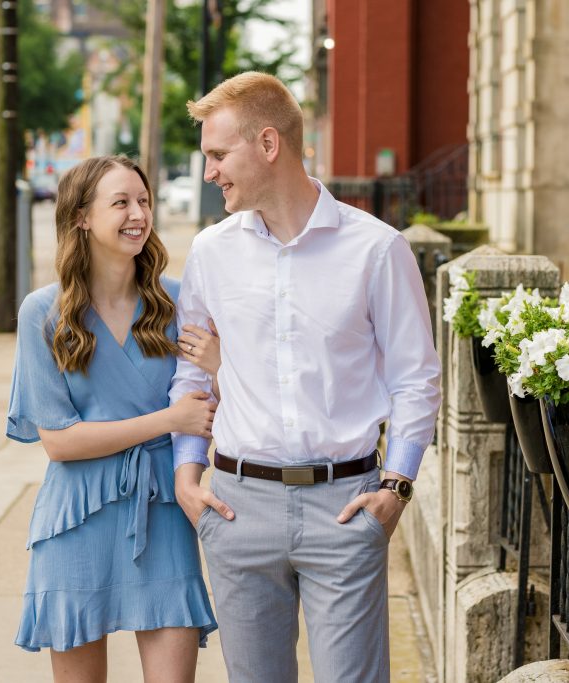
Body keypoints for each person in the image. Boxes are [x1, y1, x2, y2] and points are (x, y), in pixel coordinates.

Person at [170, 72, 442, 683]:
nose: (209, 172)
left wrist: (396, 488)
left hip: (344, 509)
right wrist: (188, 475)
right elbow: (192, 372)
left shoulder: (377, 250)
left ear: (269, 144)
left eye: (218, 154)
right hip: (237, 509)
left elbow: (415, 378)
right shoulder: (211, 254)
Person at [6, 155, 218, 682]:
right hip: (76, 520)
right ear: (81, 216)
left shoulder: (177, 302)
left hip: (163, 512)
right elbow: (59, 442)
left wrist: (221, 366)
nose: (138, 214)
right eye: (120, 202)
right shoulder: (44, 313)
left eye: (143, 201)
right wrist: (168, 420)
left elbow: (217, 405)